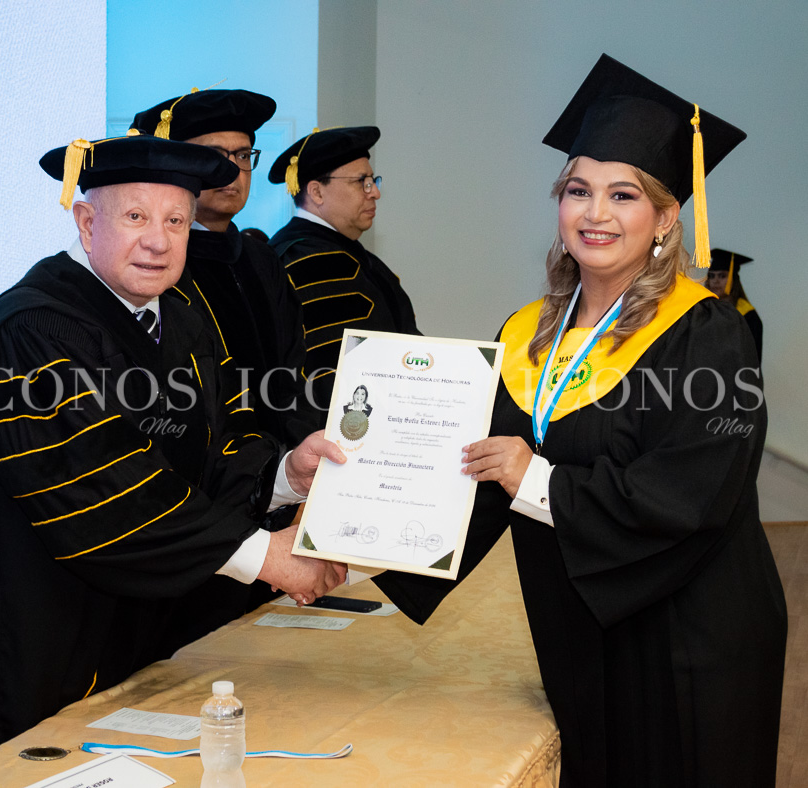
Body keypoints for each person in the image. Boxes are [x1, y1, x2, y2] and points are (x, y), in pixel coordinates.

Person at [375, 54, 786, 787]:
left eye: (623, 195)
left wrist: (535, 479)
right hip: (577, 626)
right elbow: (479, 471)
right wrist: (358, 538)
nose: (596, 214)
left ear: (666, 218)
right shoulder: (528, 331)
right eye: (577, 191)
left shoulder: (706, 333)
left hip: (687, 636)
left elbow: (689, 498)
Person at [0, 132, 346, 773]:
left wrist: (286, 476)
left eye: (176, 221)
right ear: (87, 223)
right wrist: (268, 558)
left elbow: (212, 453)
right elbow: (103, 490)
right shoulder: (32, 331)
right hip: (31, 638)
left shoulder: (182, 321)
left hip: (135, 639)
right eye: (136, 217)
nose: (159, 242)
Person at [131, 89, 315, 446]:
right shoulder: (156, 260)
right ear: (177, 163)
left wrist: (293, 450)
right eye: (214, 155)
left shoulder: (261, 258)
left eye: (243, 155)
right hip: (200, 458)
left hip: (284, 459)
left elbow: (294, 363)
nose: (233, 170)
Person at [268, 126, 420, 417]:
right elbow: (333, 370)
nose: (375, 192)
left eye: (373, 180)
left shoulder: (345, 252)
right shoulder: (311, 261)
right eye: (361, 182)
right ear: (316, 192)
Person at [705, 247, 763, 362]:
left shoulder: (747, 316)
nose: (715, 281)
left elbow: (751, 359)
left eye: (722, 276)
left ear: (733, 279)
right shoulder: (704, 311)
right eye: (712, 276)